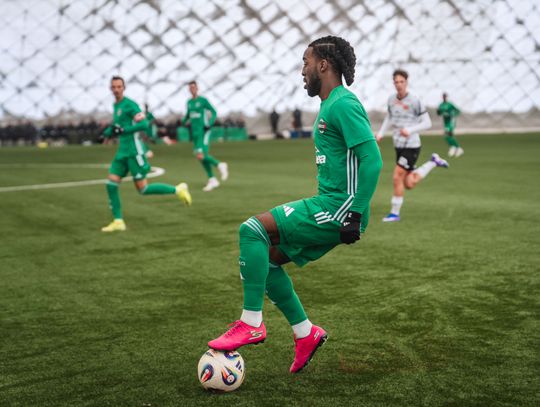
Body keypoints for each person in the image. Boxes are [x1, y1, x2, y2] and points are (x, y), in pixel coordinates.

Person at [207, 36, 383, 373]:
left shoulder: (343, 104)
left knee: (252, 229)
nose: (302, 71)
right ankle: (306, 333)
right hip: (333, 204)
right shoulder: (329, 105)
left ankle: (251, 322)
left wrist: (355, 212)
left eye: (306, 62)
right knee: (267, 262)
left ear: (323, 65)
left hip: (340, 207)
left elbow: (372, 160)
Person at [100, 76, 192, 232]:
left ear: (124, 88)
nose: (116, 90)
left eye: (119, 87)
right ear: (110, 88)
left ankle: (178, 190)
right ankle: (118, 221)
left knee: (143, 189)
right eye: (113, 87)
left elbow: (143, 124)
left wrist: (124, 130)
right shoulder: (116, 105)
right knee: (111, 184)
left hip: (134, 151)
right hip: (122, 151)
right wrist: (106, 133)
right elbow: (117, 125)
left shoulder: (130, 105)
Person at [376, 69, 449, 223]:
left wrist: (410, 130)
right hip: (398, 144)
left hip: (412, 145)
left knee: (397, 176)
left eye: (401, 81)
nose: (399, 84)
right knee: (409, 183)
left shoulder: (415, 100)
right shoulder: (391, 99)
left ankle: (394, 213)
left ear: (406, 82)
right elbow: (389, 117)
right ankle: (433, 162)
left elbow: (427, 123)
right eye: (396, 82)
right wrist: (381, 133)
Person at [184, 80, 228, 191]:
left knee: (201, 155)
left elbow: (213, 111)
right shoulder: (189, 102)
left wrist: (210, 123)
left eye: (194, 87)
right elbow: (188, 115)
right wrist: (183, 121)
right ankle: (212, 179)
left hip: (203, 131)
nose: (192, 89)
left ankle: (219, 164)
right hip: (195, 133)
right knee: (200, 157)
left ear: (197, 88)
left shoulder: (203, 100)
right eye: (190, 88)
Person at [437, 93, 463, 157]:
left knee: (448, 134)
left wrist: (453, 114)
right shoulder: (441, 105)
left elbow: (458, 111)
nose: (444, 98)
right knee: (448, 135)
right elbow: (439, 113)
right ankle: (454, 147)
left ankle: (457, 148)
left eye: (445, 96)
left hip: (451, 121)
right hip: (445, 122)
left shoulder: (450, 104)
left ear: (447, 97)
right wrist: (438, 112)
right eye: (443, 96)